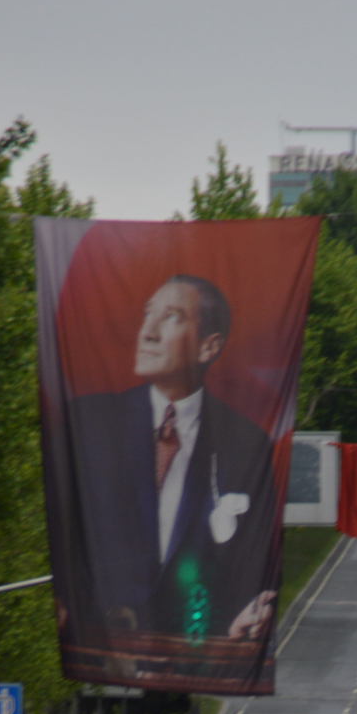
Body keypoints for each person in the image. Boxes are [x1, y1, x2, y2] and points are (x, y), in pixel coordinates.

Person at [64, 275, 277, 642]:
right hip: (101, 651)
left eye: (171, 317)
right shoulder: (87, 424)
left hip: (195, 651)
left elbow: (251, 563)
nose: (147, 332)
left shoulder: (246, 445)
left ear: (208, 347)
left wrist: (241, 619)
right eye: (148, 315)